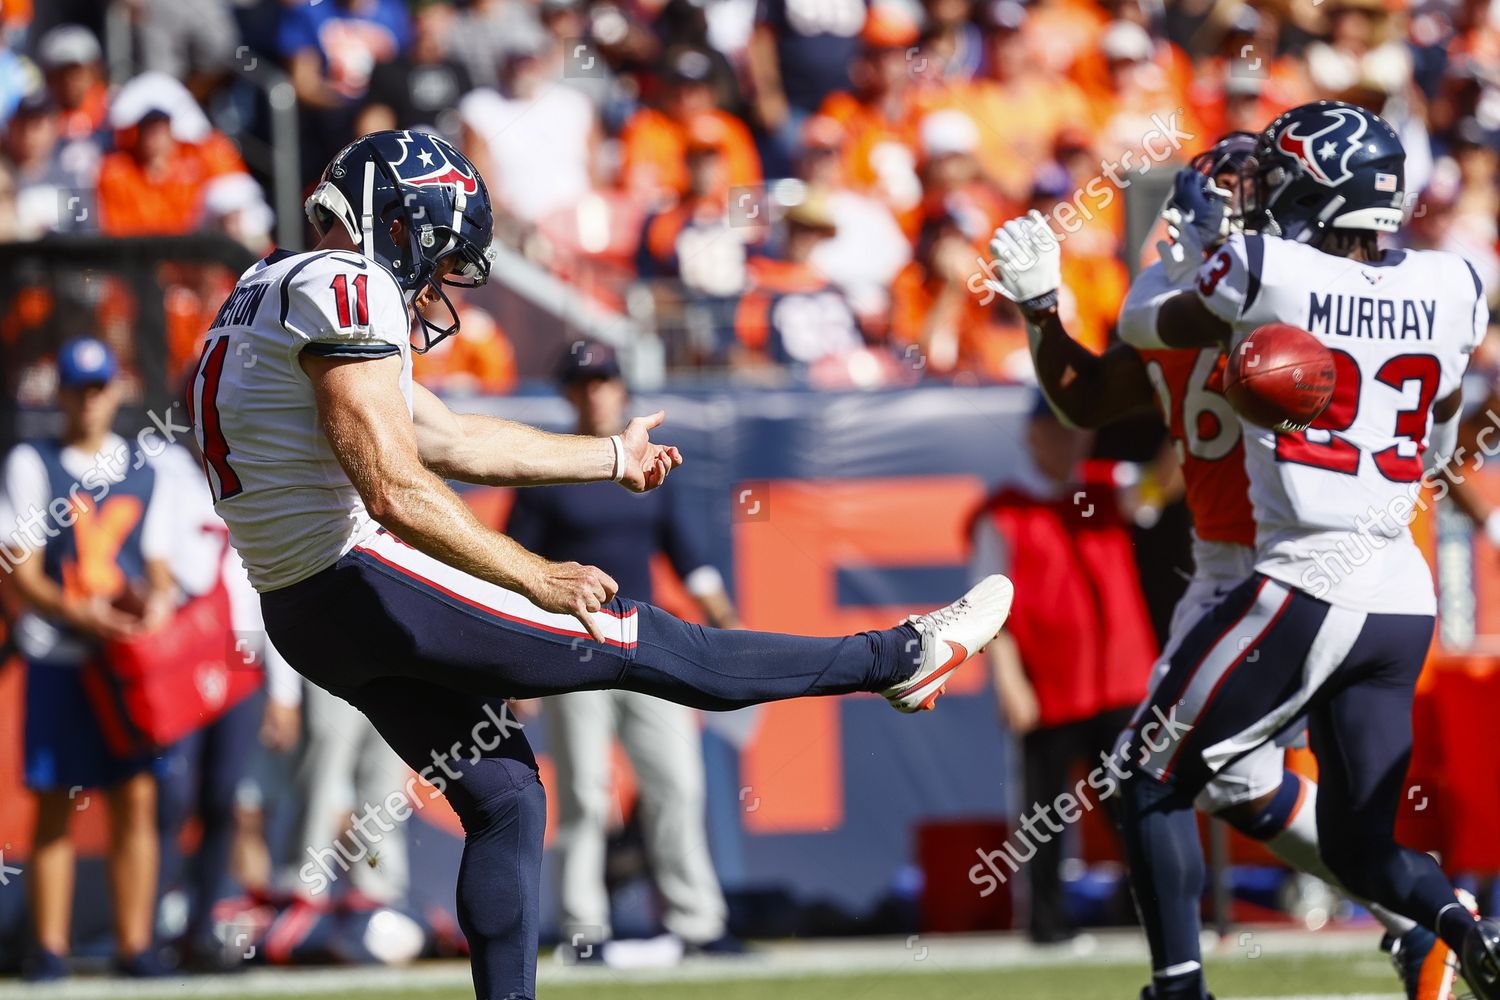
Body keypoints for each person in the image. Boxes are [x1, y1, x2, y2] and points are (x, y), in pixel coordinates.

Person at [186, 129, 1013, 1000]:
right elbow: (394, 484)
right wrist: (533, 575)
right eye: (437, 254)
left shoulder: (267, 285)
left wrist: (607, 457)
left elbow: (448, 436)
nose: (435, 283)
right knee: (645, 641)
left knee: (505, 796)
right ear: (398, 225)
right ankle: (901, 655)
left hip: (305, 609)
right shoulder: (345, 284)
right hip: (358, 575)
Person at [988, 101, 1500, 1000]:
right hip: (1397, 588)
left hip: (1289, 575)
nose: (1249, 200)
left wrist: (1053, 302)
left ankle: (1179, 989)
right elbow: (1440, 428)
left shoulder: (1262, 273)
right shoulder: (1453, 283)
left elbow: (1148, 331)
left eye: (1264, 183)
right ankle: (1452, 925)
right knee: (1350, 840)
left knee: (1146, 775)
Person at [508, 344, 738, 962]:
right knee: (584, 791)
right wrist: (517, 664)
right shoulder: (549, 468)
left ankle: (698, 922)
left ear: (620, 388)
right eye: (581, 382)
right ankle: (584, 929)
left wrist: (723, 618)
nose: (594, 392)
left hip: (646, 643)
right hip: (573, 649)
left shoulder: (649, 471)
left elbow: (687, 555)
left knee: (678, 783)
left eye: (603, 380)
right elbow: (516, 566)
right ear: (567, 394)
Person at [1, 337, 176, 981]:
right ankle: (47, 948)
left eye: (99, 386)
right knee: (54, 799)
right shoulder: (31, 460)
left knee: (135, 798)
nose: (89, 399)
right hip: (59, 651)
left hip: (124, 663)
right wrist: (80, 614)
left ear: (116, 391)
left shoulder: (144, 465)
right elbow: (20, 570)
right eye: (78, 387)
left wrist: (153, 606)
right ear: (63, 393)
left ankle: (138, 944)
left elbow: (157, 566)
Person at [971, 397, 1156, 944]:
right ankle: (1047, 925)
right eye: (1058, 430)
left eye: (1078, 430)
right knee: (1044, 812)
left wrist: (1192, 422)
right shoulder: (1003, 510)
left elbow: (1159, 486)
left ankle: (1154, 913)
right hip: (1048, 682)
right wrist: (1009, 679)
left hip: (1120, 678)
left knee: (1134, 805)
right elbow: (985, 608)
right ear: (1032, 435)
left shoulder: (1107, 485)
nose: (1072, 441)